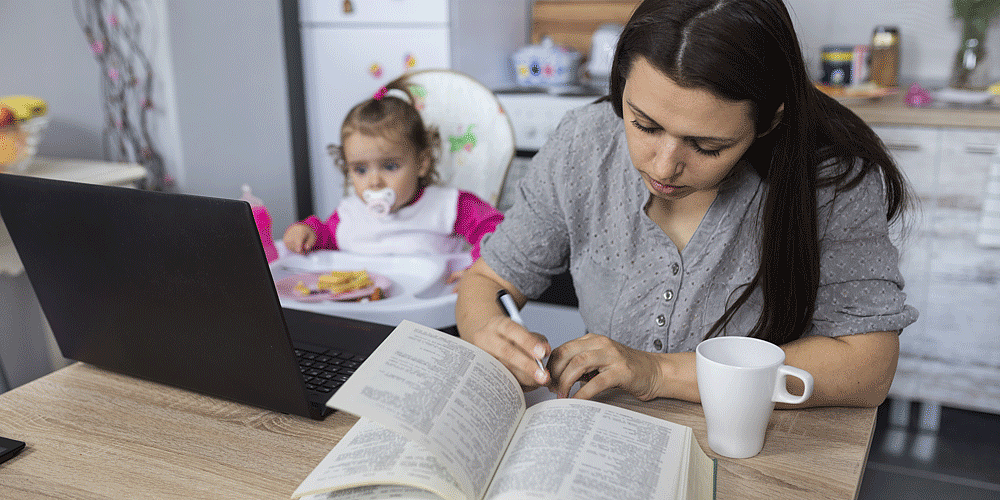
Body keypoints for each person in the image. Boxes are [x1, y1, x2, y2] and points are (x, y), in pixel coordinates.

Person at [456, 0, 918, 408]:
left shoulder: (829, 181)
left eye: (707, 146)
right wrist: (486, 330)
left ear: (769, 120)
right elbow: (489, 279)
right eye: (644, 124)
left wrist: (658, 372)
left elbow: (869, 365)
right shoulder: (585, 143)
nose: (664, 166)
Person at [283, 80, 504, 285]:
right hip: (367, 311)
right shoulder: (349, 214)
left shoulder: (449, 206)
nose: (374, 181)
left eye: (389, 166)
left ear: (421, 163)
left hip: (430, 312)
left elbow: (497, 232)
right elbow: (327, 237)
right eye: (360, 169)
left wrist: (479, 271)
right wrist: (308, 233)